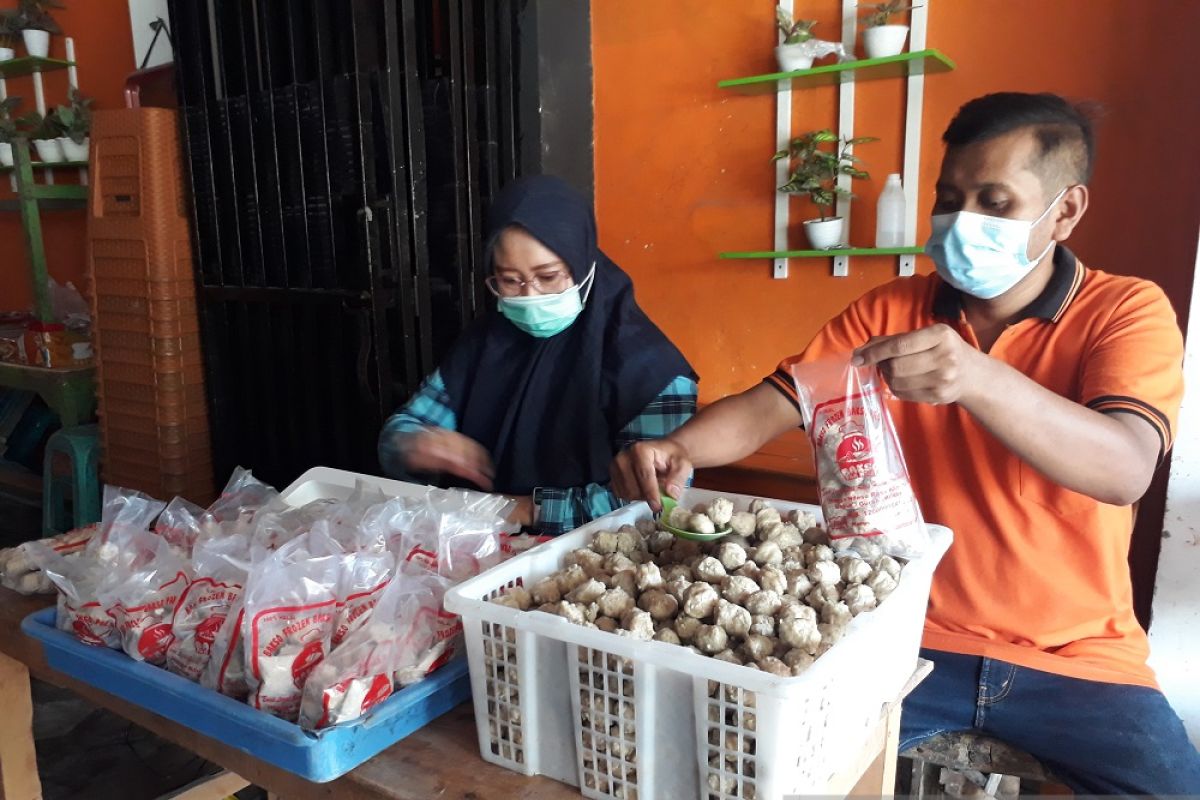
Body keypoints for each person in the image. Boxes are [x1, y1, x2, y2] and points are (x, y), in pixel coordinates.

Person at [610, 93, 1200, 794]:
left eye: (995, 201)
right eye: (949, 198)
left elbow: (1125, 467)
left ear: (1066, 211)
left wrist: (978, 377)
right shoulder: (892, 311)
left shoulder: (1124, 311)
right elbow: (775, 403)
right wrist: (682, 448)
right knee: (756, 769)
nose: (960, 222)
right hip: (902, 634)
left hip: (1080, 659)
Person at [380, 175, 696, 536]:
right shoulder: (484, 344)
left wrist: (528, 508)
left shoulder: (650, 369)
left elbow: (653, 498)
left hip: (596, 566)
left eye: (548, 276)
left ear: (583, 264)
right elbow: (405, 426)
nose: (529, 296)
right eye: (509, 280)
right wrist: (414, 444)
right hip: (476, 543)